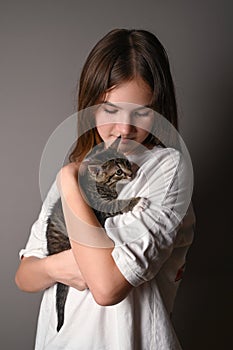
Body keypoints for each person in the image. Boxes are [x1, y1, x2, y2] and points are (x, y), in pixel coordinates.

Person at [15, 28, 195, 349]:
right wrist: (62, 265)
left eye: (141, 113)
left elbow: (107, 286)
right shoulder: (80, 167)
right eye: (110, 110)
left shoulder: (167, 169)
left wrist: (68, 180)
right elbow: (25, 275)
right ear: (90, 107)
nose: (125, 129)